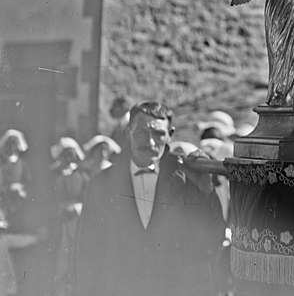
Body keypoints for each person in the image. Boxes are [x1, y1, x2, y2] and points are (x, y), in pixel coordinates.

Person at [75, 102, 225, 296]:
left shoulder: (187, 180)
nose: (150, 142)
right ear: (129, 132)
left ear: (170, 134)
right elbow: (86, 254)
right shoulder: (101, 185)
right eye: (141, 133)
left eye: (158, 134)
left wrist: (206, 189)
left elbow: (214, 237)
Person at [49, 137, 89, 296]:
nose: (69, 158)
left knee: (75, 257)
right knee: (60, 258)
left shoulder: (82, 175)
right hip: (59, 221)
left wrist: (77, 208)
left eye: (71, 154)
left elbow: (87, 199)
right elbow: (50, 199)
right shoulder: (54, 175)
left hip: (77, 220)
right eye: (65, 154)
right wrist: (59, 210)